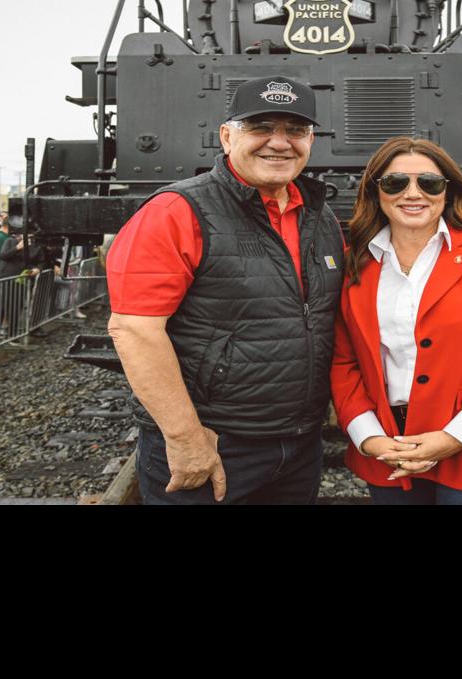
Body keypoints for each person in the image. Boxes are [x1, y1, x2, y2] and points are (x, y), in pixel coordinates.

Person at [105, 74, 343, 505]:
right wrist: (185, 437)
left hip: (299, 444)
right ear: (227, 135)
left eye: (295, 130)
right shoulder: (176, 211)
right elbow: (134, 330)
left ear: (310, 140)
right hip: (215, 442)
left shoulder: (319, 217)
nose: (279, 142)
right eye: (261, 127)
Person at [331, 136, 462, 505]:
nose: (412, 193)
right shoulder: (356, 263)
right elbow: (343, 360)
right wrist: (369, 438)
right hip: (390, 453)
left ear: (448, 192)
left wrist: (453, 438)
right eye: (396, 182)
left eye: (429, 183)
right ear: (376, 192)